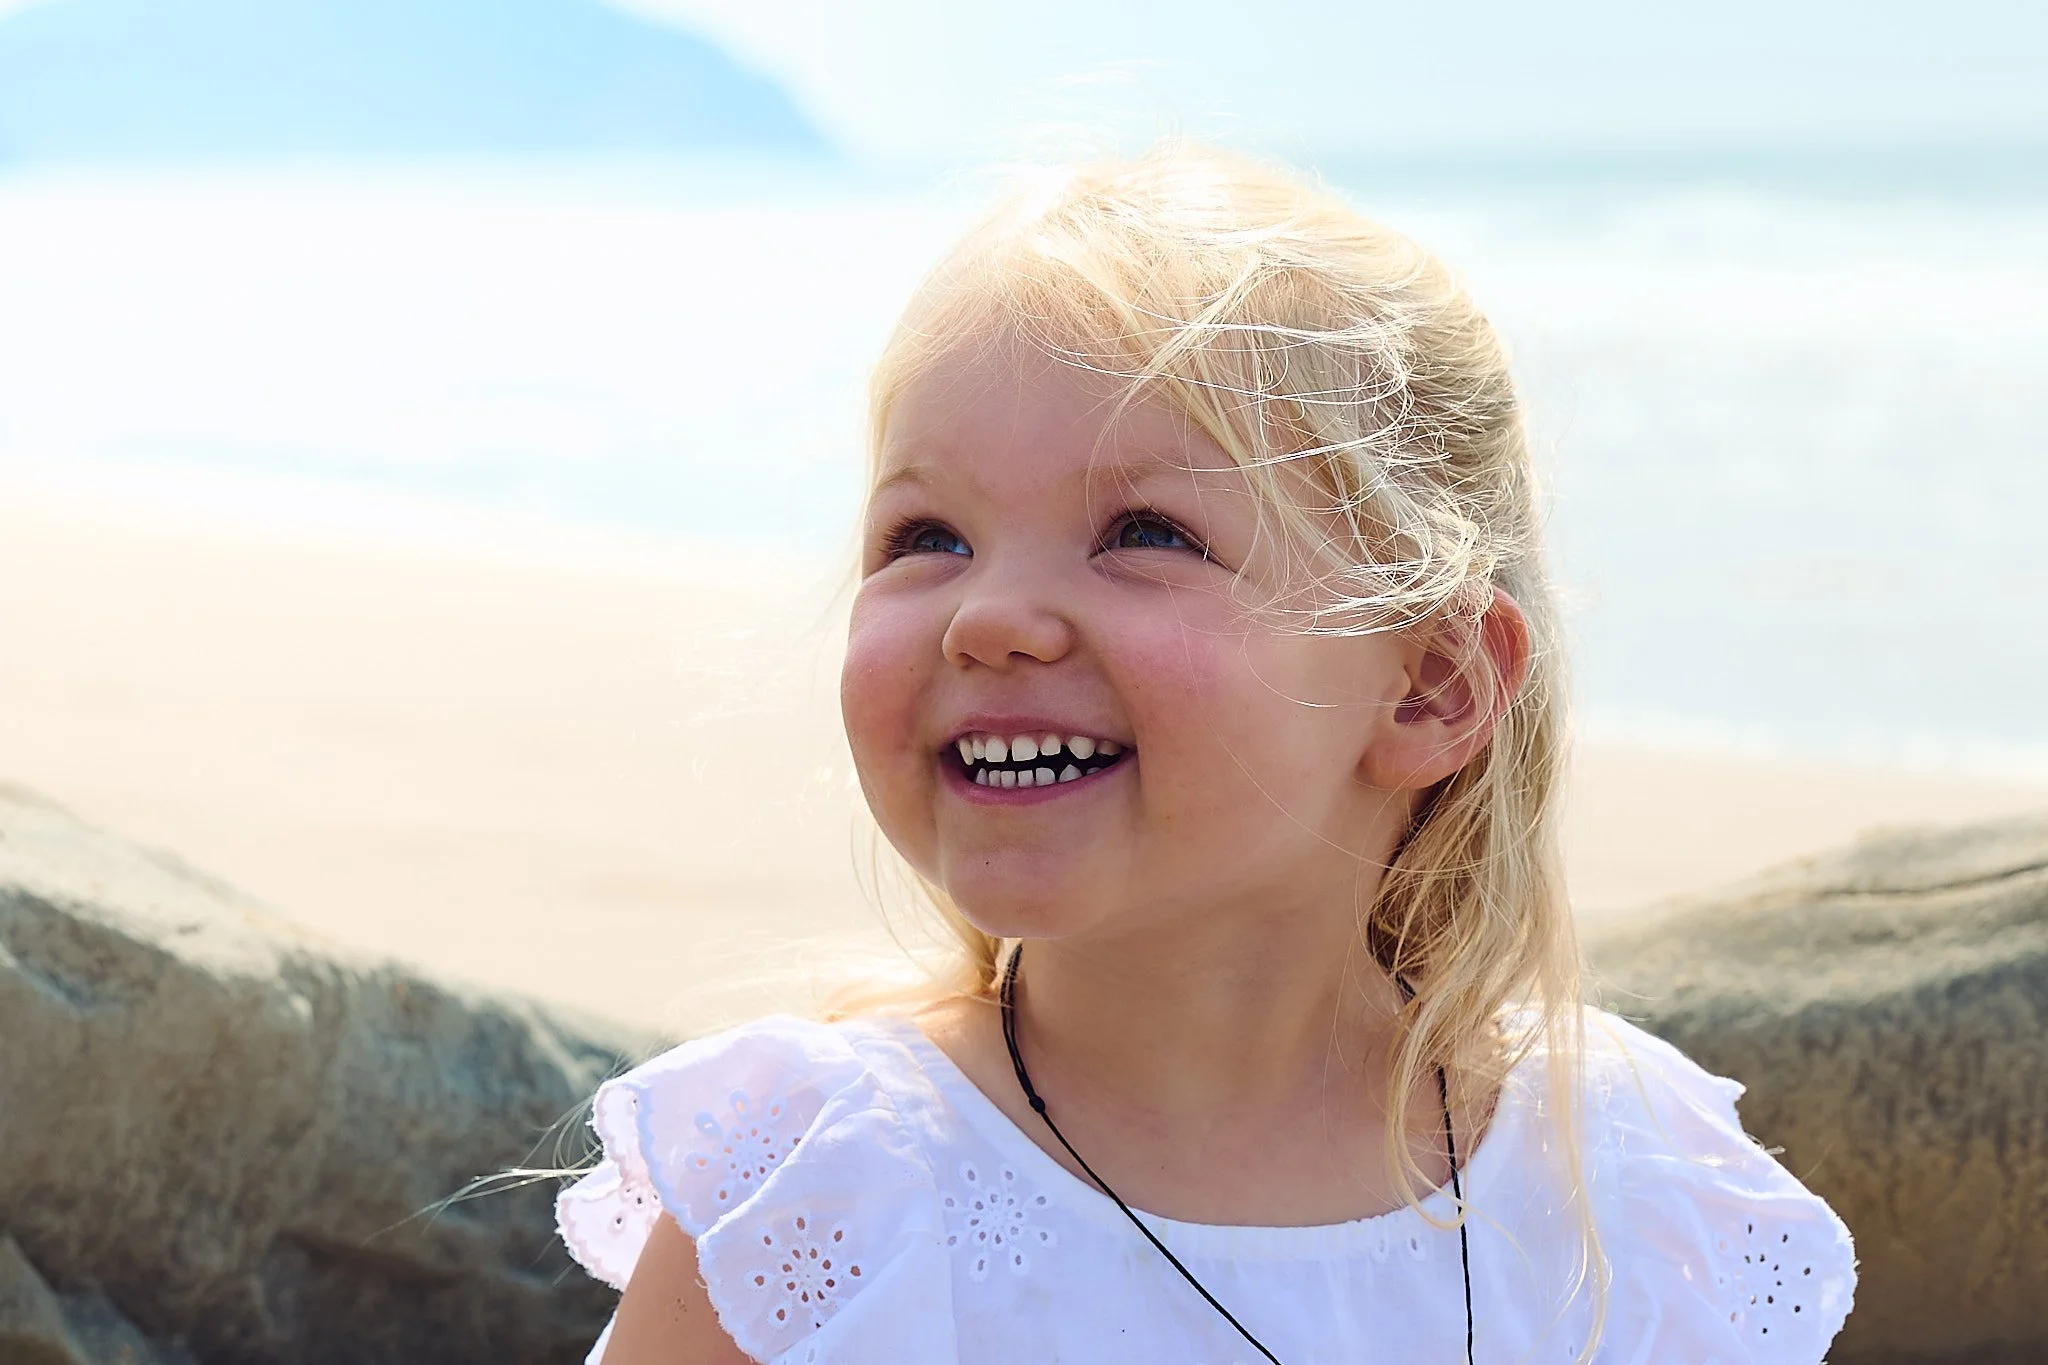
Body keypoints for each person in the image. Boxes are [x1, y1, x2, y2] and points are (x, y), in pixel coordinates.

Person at [555, 142, 1857, 1364]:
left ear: (1432, 687)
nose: (989, 616)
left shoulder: (1622, 1200)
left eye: (1145, 531)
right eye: (926, 537)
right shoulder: (825, 1199)